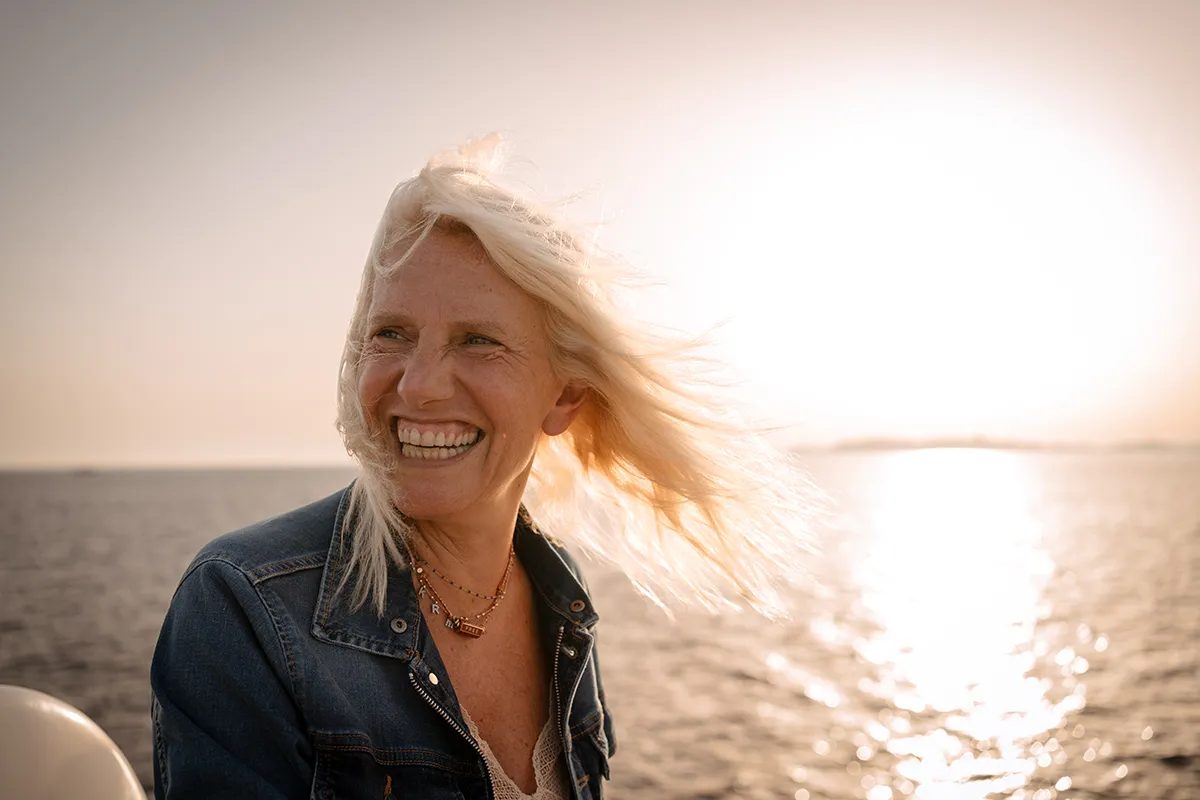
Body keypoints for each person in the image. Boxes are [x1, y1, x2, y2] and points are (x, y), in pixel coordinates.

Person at [150, 137, 819, 799]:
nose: (419, 386)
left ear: (565, 395)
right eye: (391, 334)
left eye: (478, 341)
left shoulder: (556, 590)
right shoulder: (247, 606)